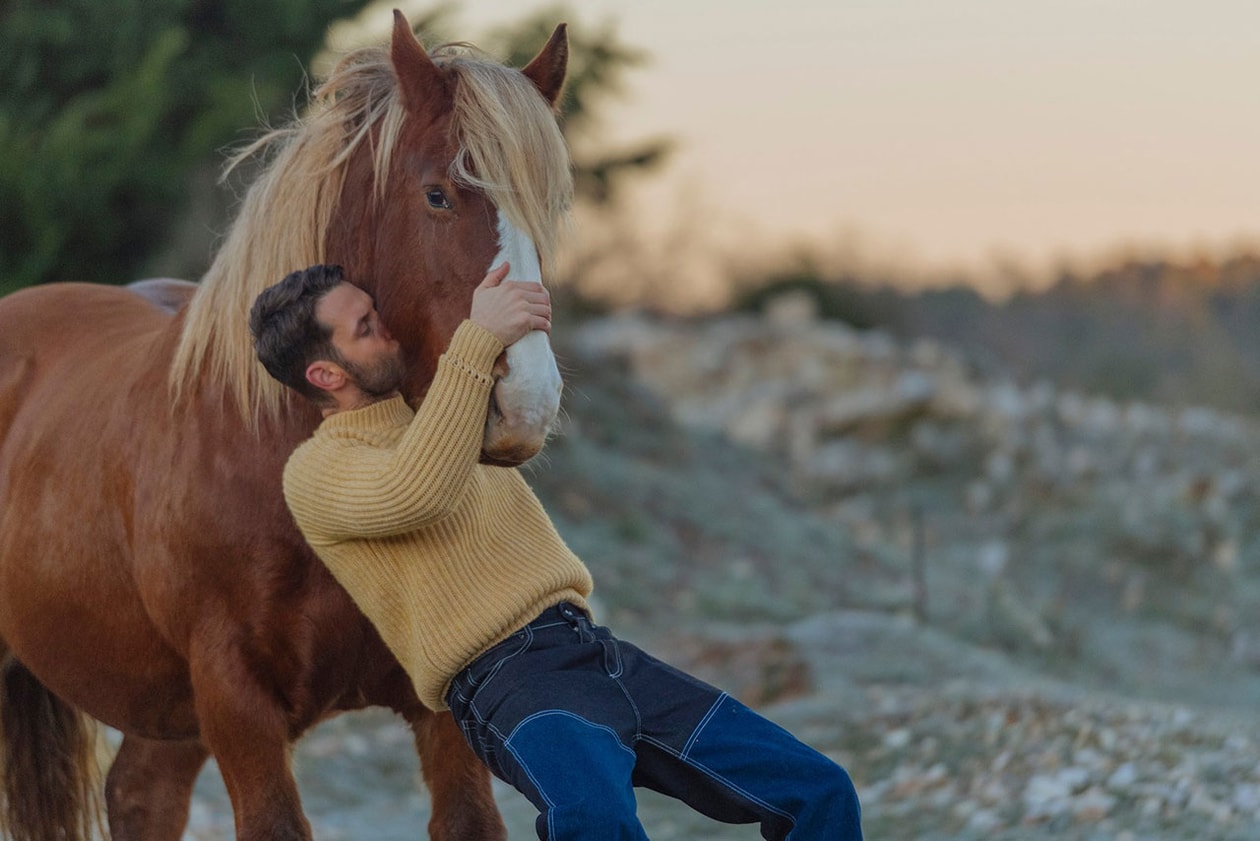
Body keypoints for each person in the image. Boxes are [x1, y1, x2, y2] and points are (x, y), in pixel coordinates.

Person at [249, 263, 863, 839]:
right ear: (326, 375)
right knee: (597, 822)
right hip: (506, 681)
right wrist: (476, 339)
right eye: (366, 330)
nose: (387, 330)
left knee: (818, 791)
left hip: (594, 651)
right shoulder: (318, 471)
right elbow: (419, 490)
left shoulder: (438, 411)